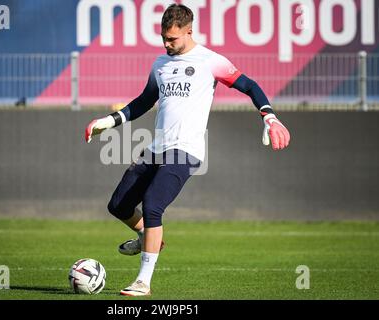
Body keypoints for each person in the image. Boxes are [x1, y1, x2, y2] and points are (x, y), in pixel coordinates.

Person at [84, 4, 290, 296]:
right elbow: (143, 102)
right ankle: (146, 236)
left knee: (154, 204)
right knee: (118, 205)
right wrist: (109, 121)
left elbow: (250, 86)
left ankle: (143, 281)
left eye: (173, 39)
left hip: (186, 150)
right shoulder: (160, 64)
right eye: (163, 38)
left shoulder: (210, 61)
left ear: (189, 31)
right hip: (157, 149)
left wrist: (269, 116)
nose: (167, 44)